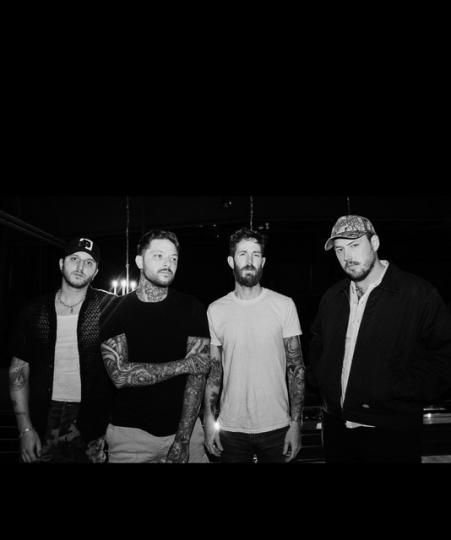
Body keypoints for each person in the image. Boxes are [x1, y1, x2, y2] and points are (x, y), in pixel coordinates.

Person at [309, 214, 451, 463]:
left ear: (374, 243)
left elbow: (444, 359)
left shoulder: (418, 294)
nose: (347, 256)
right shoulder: (333, 297)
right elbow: (317, 349)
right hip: (337, 431)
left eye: (355, 245)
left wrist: (396, 392)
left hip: (392, 432)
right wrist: (325, 387)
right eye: (340, 250)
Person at [100, 229, 211, 463]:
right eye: (158, 256)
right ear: (139, 261)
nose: (168, 263)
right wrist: (183, 365)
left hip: (186, 431)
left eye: (173, 258)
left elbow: (198, 377)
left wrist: (183, 440)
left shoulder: (192, 307)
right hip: (129, 437)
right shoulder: (115, 310)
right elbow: (120, 375)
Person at [9, 237, 115, 463]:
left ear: (96, 272)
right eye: (74, 259)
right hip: (44, 417)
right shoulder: (34, 311)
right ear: (61, 264)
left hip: (92, 420)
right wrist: (24, 429)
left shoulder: (110, 308)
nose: (80, 267)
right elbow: (18, 371)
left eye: (88, 262)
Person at [204, 228, 305, 463]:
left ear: (263, 262)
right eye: (243, 254)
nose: (250, 261)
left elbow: (296, 368)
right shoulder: (216, 310)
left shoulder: (284, 305)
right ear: (231, 261)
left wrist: (296, 423)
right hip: (230, 428)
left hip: (278, 427)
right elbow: (214, 373)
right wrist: (209, 420)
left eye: (256, 255)